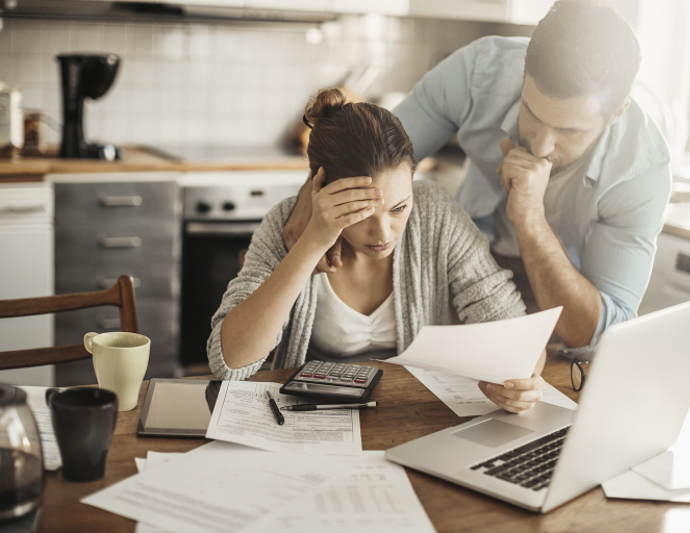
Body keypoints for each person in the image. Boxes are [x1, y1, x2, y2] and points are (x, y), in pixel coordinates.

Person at [284, 0, 672, 359]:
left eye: (569, 130)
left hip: (565, 292)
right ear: (524, 71)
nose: (539, 145)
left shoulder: (641, 173)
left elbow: (600, 336)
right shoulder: (478, 72)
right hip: (468, 266)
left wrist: (531, 221)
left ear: (618, 112)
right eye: (533, 114)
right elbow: (373, 154)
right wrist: (311, 195)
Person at [208, 88, 545, 413]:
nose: (384, 233)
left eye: (399, 208)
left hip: (412, 413)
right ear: (321, 193)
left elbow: (512, 327)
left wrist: (525, 380)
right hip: (312, 416)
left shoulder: (434, 212)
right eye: (363, 215)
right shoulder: (286, 223)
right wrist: (311, 244)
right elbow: (229, 363)